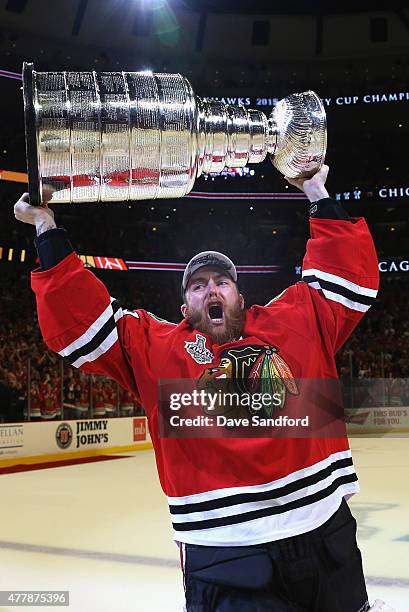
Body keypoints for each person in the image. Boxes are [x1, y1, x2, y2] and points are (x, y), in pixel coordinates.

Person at [14, 166, 393, 612]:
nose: (211, 288)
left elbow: (350, 280)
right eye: (198, 285)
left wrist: (316, 190)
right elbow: (80, 321)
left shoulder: (294, 321)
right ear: (184, 306)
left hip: (325, 534)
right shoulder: (154, 347)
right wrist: (46, 228)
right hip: (225, 553)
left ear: (240, 297)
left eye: (222, 282)